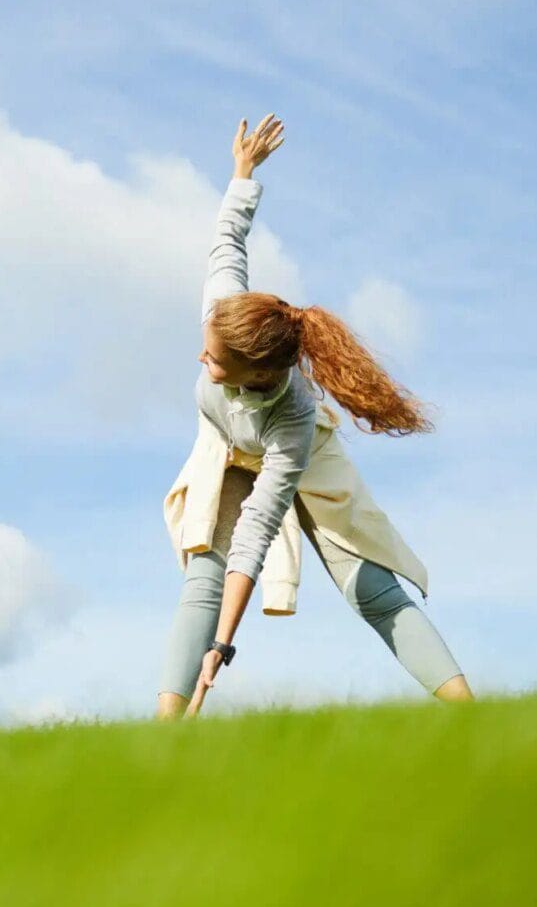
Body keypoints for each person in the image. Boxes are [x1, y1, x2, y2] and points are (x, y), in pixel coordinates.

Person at [158, 116, 474, 719]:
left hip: (297, 456)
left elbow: (259, 530)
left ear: (259, 375)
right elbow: (229, 239)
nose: (203, 358)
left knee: (369, 586)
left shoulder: (294, 419)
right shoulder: (223, 313)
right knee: (204, 573)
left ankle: (472, 715)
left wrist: (224, 645)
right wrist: (243, 173)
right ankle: (162, 735)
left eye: (216, 364)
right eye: (207, 346)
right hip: (224, 446)